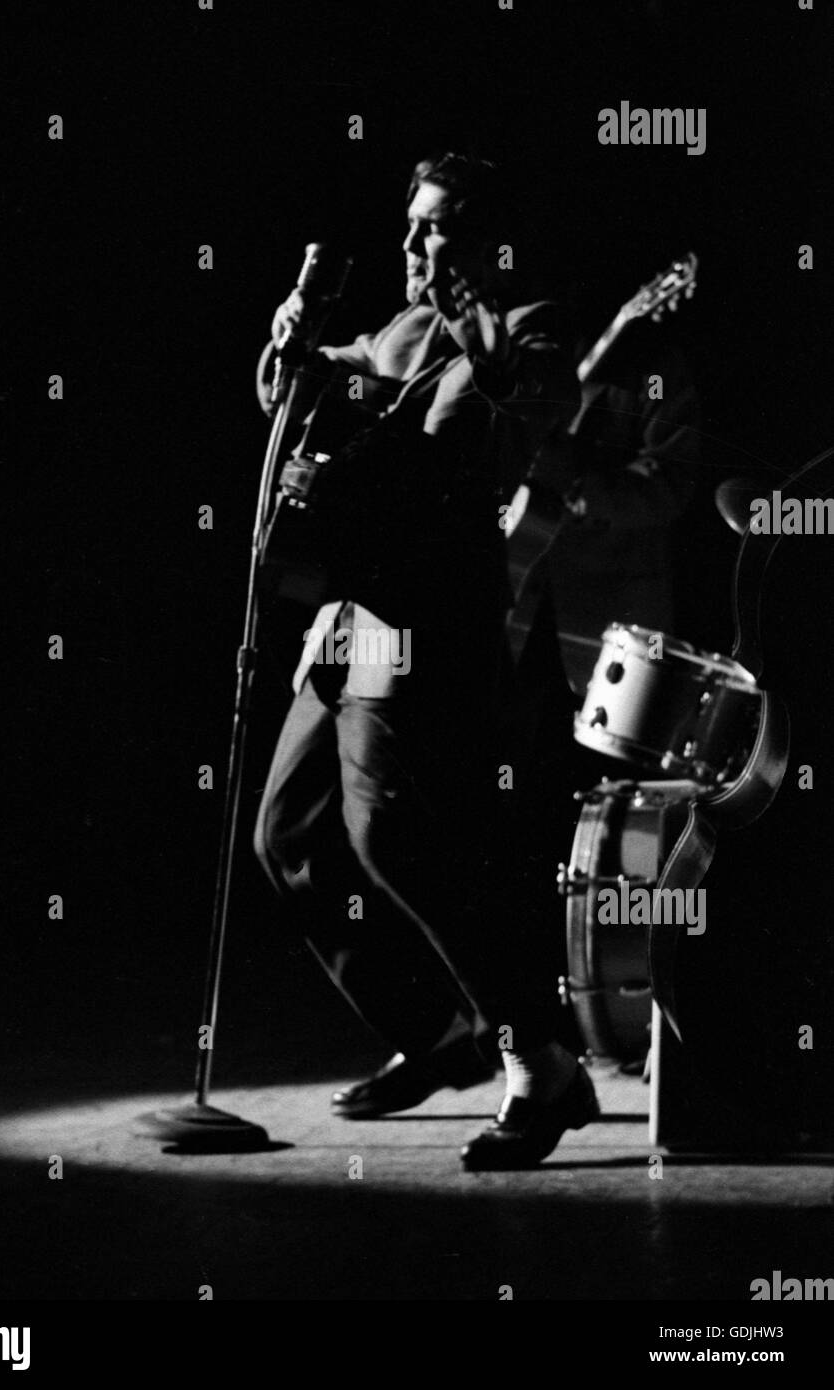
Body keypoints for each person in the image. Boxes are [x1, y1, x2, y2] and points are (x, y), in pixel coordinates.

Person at [253, 152, 600, 1170]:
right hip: (349, 614)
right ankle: (434, 1029)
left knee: (394, 838)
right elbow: (304, 396)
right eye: (410, 224)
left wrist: (474, 315)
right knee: (290, 834)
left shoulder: (534, 330)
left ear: (487, 240)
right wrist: (289, 352)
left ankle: (538, 1058)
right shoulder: (400, 329)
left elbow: (522, 425)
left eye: (434, 227)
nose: (411, 245)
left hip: (429, 625)